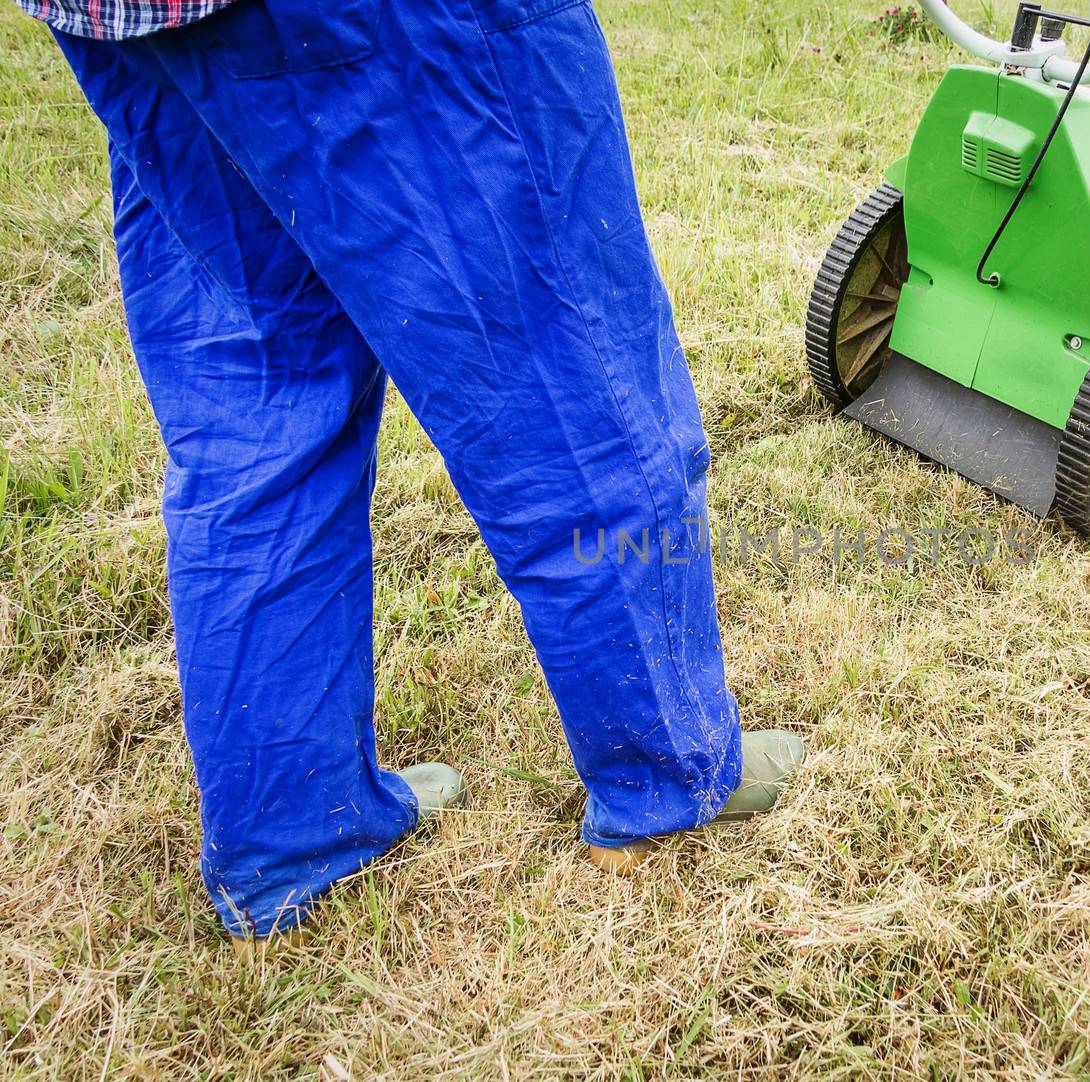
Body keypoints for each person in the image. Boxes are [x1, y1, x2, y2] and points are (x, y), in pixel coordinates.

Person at [18, 0, 804, 944]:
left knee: (263, 409)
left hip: (123, 17)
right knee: (564, 372)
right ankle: (668, 776)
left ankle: (292, 842)